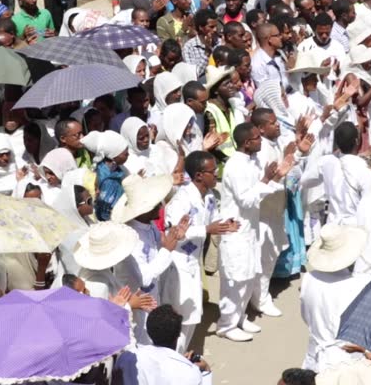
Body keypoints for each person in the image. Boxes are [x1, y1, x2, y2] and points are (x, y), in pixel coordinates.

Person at [217, 122, 289, 342]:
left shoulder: (250, 161)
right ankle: (226, 325)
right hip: (236, 230)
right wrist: (267, 180)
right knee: (236, 278)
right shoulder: (235, 166)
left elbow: (260, 188)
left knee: (249, 275)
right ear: (247, 143)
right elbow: (247, 199)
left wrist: (275, 178)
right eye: (258, 137)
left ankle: (239, 318)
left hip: (250, 230)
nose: (261, 141)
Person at [164, 151, 238, 352]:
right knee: (182, 314)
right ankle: (175, 357)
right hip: (177, 264)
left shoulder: (210, 197)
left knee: (193, 313)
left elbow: (214, 220)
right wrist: (205, 230)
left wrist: (227, 225)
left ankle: (180, 354)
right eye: (212, 171)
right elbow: (172, 233)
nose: (216, 174)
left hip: (193, 263)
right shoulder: (181, 200)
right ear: (198, 175)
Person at [112, 174, 187, 344]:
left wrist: (175, 236)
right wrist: (167, 250)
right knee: (141, 342)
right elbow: (144, 278)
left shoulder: (149, 225)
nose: (161, 206)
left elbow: (159, 245)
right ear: (143, 210)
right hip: (137, 301)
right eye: (155, 204)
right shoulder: (131, 238)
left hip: (153, 296)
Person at [300, 225, 370, 372]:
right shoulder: (359, 284)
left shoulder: (308, 278)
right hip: (346, 358)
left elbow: (306, 316)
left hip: (315, 352)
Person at [114, 305, 213, 385]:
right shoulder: (190, 373)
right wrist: (206, 370)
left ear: (148, 331)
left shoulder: (128, 357)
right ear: (178, 334)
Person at [182, 9, 219, 80]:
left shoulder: (219, 41)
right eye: (211, 27)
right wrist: (207, 51)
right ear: (201, 28)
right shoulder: (189, 47)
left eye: (216, 26)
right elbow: (194, 74)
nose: (215, 30)